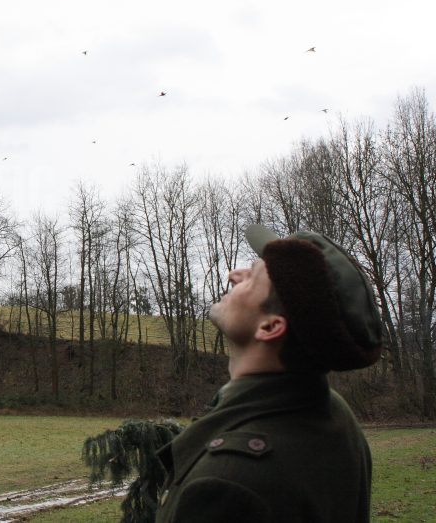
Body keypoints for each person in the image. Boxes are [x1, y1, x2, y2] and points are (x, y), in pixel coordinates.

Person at [155, 224, 383, 523]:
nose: (234, 275)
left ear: (270, 327)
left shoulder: (225, 484)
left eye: (252, 276)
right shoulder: (334, 412)